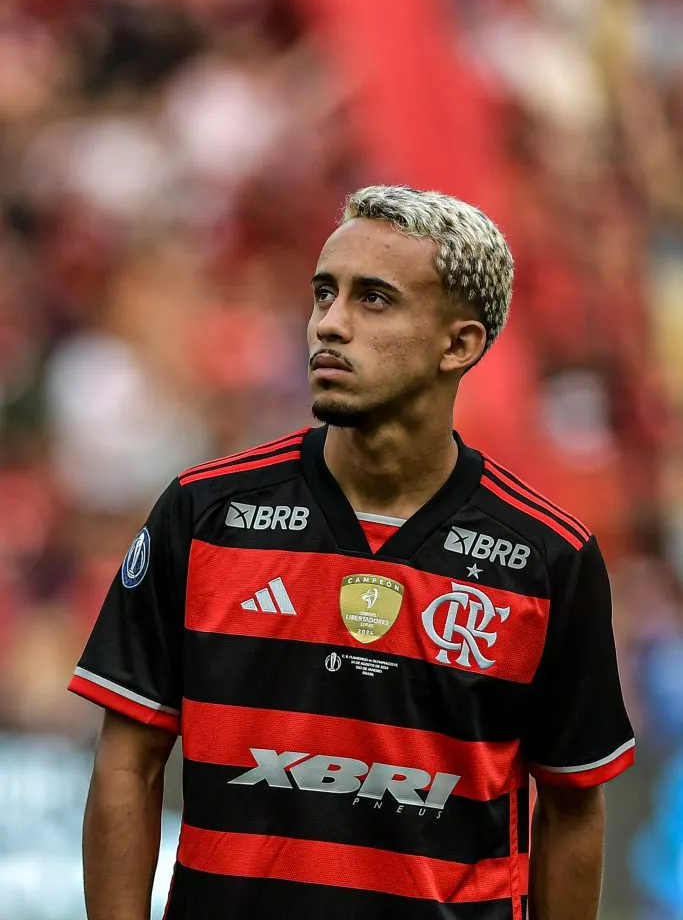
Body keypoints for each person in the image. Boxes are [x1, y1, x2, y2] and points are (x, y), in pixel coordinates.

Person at [70, 184, 635, 920]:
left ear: (458, 344)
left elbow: (570, 808)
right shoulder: (204, 514)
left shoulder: (547, 557)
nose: (328, 325)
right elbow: (127, 762)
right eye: (322, 294)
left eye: (373, 300)